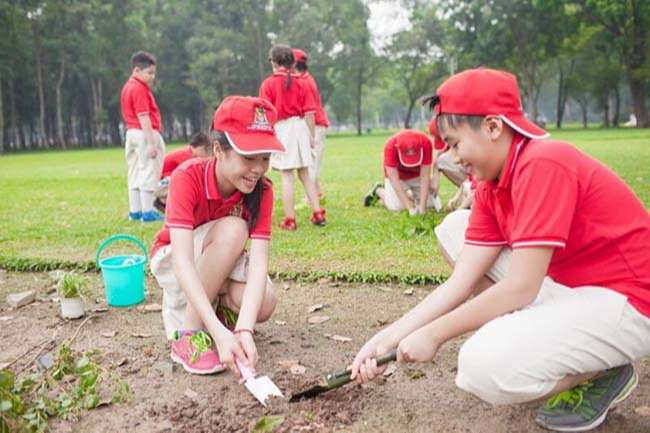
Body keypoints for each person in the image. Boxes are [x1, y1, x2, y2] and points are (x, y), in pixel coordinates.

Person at [351, 68, 650, 432]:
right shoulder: (492, 182)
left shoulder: (543, 162)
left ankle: (602, 369)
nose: (453, 157)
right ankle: (545, 340)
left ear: (493, 127)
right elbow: (461, 281)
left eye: (455, 143)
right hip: (575, 288)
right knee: (454, 230)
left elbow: (521, 287)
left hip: (629, 301)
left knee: (481, 367)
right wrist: (387, 337)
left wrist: (434, 335)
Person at [150, 96, 285, 377]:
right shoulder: (187, 177)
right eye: (249, 157)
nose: (258, 168)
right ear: (218, 150)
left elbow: (259, 263)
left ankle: (219, 310)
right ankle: (188, 334)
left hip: (222, 257)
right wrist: (217, 334)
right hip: (174, 259)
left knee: (265, 301)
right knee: (235, 228)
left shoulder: (263, 189)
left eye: (265, 157)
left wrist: (245, 330)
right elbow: (183, 262)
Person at [259, 44, 326, 230]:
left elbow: (265, 114)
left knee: (287, 176)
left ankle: (290, 219)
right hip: (301, 127)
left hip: (282, 129)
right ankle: (318, 212)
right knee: (305, 173)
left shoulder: (268, 84)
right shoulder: (302, 82)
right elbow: (310, 113)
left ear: (274, 62)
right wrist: (311, 136)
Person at [120, 51, 165, 222]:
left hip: (131, 133)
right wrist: (152, 143)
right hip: (143, 133)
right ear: (136, 70)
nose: (152, 77)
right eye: (149, 73)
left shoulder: (127, 87)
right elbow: (143, 116)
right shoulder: (139, 88)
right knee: (148, 170)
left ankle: (135, 211)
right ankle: (147, 211)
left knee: (134, 172)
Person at [363, 129, 441, 215]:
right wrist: (410, 208)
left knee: (430, 205)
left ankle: (411, 195)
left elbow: (425, 176)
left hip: (417, 175)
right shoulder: (390, 146)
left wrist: (422, 208)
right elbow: (394, 180)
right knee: (396, 207)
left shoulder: (426, 143)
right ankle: (379, 190)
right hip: (398, 177)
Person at [292, 48, 329, 200]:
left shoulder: (305, 82)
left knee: (310, 165)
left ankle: (310, 199)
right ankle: (317, 193)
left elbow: (310, 113)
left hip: (315, 126)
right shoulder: (305, 79)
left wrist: (311, 135)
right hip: (313, 125)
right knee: (311, 163)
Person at [153, 132, 212, 213]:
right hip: (162, 184)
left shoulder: (188, 152)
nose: (206, 155)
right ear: (200, 148)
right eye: (206, 151)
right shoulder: (186, 156)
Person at [429, 120, 475, 210]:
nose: (456, 160)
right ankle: (466, 193)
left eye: (454, 145)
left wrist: (460, 208)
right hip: (472, 184)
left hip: (477, 187)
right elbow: (439, 154)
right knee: (441, 160)